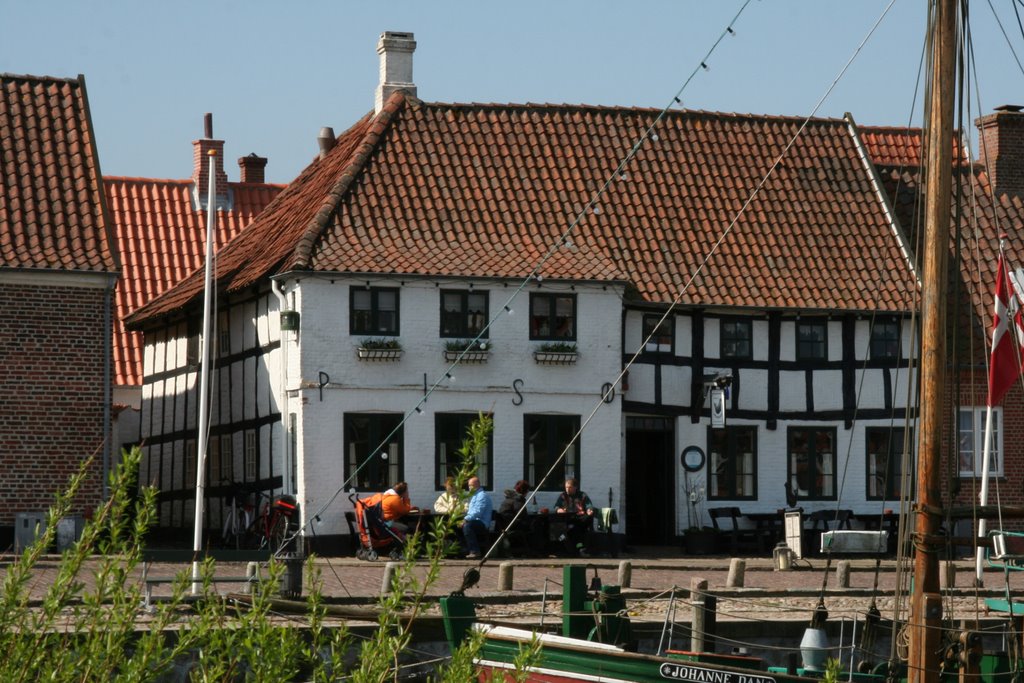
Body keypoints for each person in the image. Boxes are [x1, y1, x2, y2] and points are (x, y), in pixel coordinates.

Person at [555, 478, 594, 556]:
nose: (567, 489)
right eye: (566, 487)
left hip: (580, 518)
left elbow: (588, 505)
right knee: (573, 528)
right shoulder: (563, 496)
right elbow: (556, 506)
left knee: (583, 521)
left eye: (570, 487)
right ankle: (579, 549)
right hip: (569, 519)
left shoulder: (582, 495)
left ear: (575, 487)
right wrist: (559, 510)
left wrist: (589, 510)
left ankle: (575, 550)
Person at [462, 476, 492, 559]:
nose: (469, 487)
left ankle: (475, 551)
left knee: (468, 526)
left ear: (477, 484)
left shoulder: (482, 496)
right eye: (469, 485)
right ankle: (463, 549)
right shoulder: (474, 496)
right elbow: (471, 512)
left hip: (482, 523)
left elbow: (478, 512)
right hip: (474, 521)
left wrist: (465, 519)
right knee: (457, 525)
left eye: (471, 485)